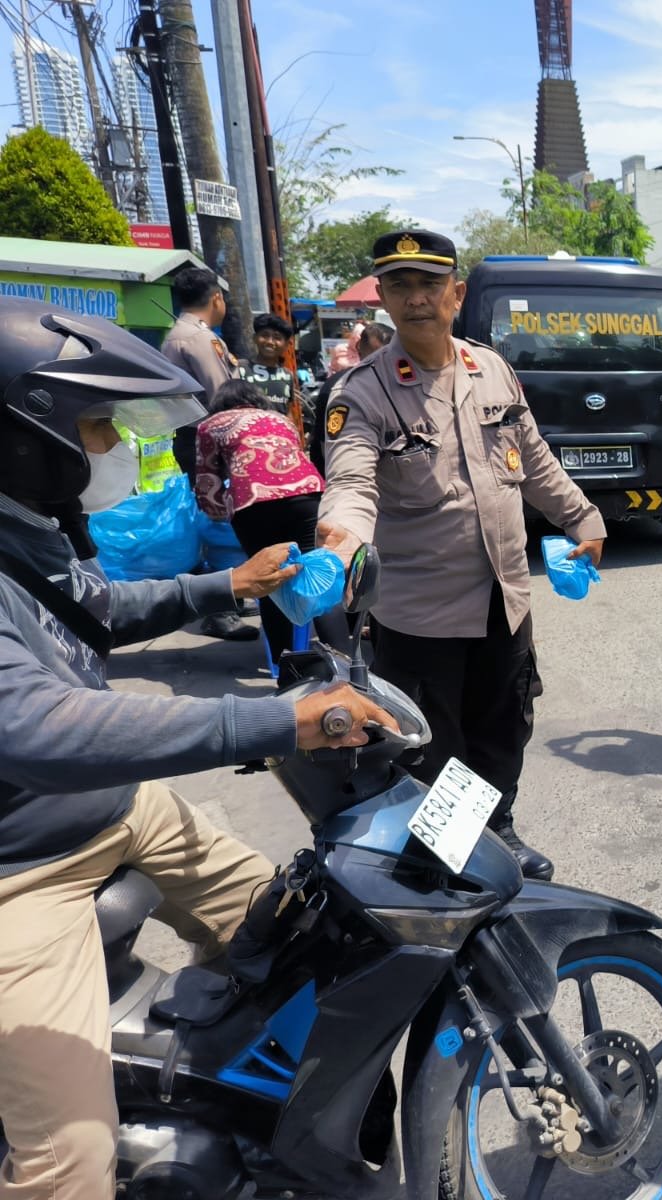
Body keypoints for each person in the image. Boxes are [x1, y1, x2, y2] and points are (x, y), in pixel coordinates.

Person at [0, 297, 394, 1200]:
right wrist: (272, 719)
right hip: (19, 869)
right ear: (29, 435)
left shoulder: (28, 528)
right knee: (69, 1162)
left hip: (123, 808)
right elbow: (33, 730)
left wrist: (227, 579)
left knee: (304, 942)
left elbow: (93, 607)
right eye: (96, 427)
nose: (107, 449)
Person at [317, 229, 606, 883]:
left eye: (428, 285)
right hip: (421, 619)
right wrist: (340, 539)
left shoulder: (492, 370)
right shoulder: (361, 393)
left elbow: (533, 461)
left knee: (504, 732)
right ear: (383, 298)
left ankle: (494, 831)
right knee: (436, 752)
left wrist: (583, 518)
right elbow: (352, 483)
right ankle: (448, 866)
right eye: (400, 286)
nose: (416, 299)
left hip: (504, 602)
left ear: (456, 293)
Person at [194, 379, 335, 665]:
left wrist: (219, 509)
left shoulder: (212, 424)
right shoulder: (281, 419)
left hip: (254, 503)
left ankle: (287, 670)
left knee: (269, 582)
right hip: (308, 495)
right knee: (316, 576)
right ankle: (342, 661)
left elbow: (207, 479)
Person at [160, 267, 252, 641]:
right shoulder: (199, 340)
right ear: (216, 298)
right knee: (222, 523)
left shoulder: (176, 336)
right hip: (211, 440)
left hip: (193, 438)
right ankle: (221, 609)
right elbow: (224, 398)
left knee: (218, 519)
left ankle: (229, 597)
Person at [307, 320, 392, 474]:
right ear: (359, 347)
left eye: (387, 355)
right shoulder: (338, 386)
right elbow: (325, 441)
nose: (380, 361)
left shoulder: (397, 385)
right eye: (375, 354)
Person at [241, 312, 301, 424]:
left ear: (287, 344)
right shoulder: (240, 369)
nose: (270, 342)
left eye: (277, 338)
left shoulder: (287, 375)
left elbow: (287, 411)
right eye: (264, 335)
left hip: (278, 438)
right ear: (255, 338)